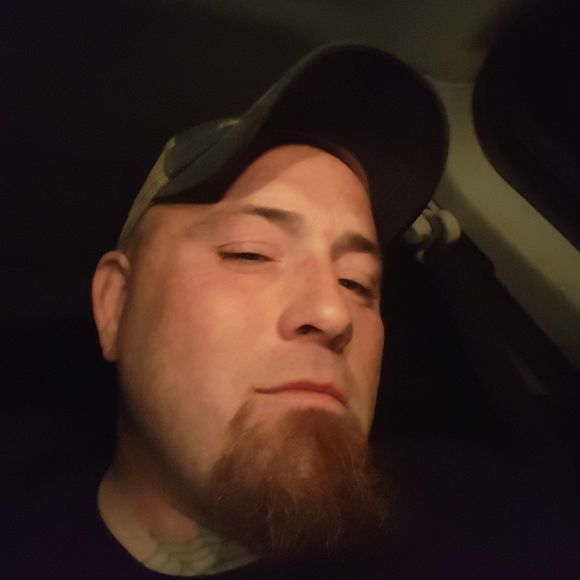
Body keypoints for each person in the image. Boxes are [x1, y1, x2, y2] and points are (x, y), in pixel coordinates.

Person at [5, 44, 447, 578]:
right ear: (115, 304)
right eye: (250, 253)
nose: (334, 313)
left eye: (357, 282)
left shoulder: (479, 528)